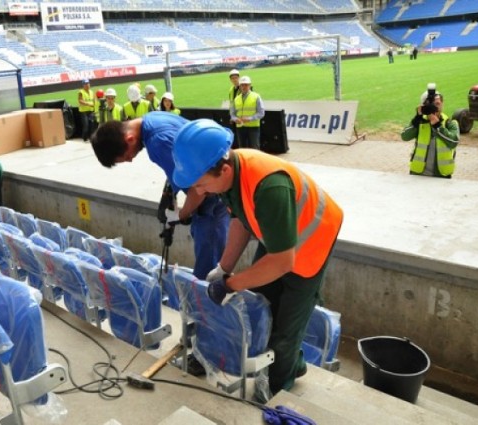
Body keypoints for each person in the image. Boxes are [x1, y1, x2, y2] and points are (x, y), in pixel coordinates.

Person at [171, 119, 343, 402]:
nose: (199, 193)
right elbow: (240, 221)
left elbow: (282, 262)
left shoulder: (269, 186)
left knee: (286, 328)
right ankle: (292, 363)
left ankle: (277, 388)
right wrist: (223, 269)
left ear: (223, 170)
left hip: (311, 242)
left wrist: (232, 284)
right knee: (263, 308)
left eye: (201, 185)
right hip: (279, 237)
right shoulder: (228, 176)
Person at [90, 112, 229, 282]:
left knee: (206, 273)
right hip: (211, 194)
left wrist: (181, 214)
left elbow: (199, 189)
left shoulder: (157, 143)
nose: (131, 160)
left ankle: (209, 305)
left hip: (212, 200)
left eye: (127, 157)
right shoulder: (152, 118)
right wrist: (170, 191)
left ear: (130, 139)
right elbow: (181, 166)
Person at [401, 87, 459, 178]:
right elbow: (405, 136)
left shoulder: (449, 123)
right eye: (431, 104)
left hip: (441, 175)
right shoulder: (419, 121)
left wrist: (438, 126)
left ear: (442, 104)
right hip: (418, 174)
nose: (435, 107)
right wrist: (416, 119)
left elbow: (454, 142)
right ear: (423, 106)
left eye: (437, 104)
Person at [230, 76, 265, 150]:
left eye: (246, 85)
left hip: (253, 127)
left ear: (250, 85)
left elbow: (261, 113)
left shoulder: (256, 96)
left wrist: (250, 119)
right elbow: (232, 114)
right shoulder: (236, 99)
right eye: (242, 85)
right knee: (242, 150)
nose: (244, 87)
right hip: (240, 128)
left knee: (255, 149)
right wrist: (235, 119)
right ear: (239, 86)